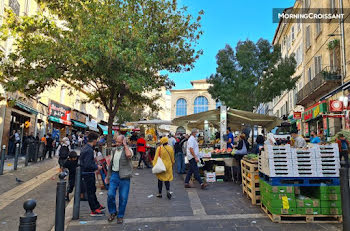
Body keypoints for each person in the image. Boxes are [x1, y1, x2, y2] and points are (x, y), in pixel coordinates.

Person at [105, 135, 133, 224]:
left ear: (123, 142)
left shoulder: (128, 149)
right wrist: (107, 176)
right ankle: (113, 212)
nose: (117, 144)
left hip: (124, 176)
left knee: (123, 197)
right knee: (110, 194)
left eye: (119, 142)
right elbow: (111, 164)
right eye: (116, 142)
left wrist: (125, 145)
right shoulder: (114, 150)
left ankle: (120, 215)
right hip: (114, 175)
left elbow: (129, 155)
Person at [80, 132, 105, 216]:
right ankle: (94, 209)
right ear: (94, 140)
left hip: (87, 173)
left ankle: (97, 205)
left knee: (92, 190)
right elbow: (88, 164)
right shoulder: (89, 150)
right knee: (90, 191)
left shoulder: (86, 148)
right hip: (88, 173)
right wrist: (97, 167)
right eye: (96, 140)